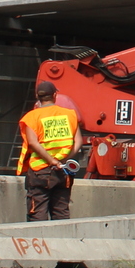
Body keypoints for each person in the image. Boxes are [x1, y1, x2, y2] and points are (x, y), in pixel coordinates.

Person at [17, 81, 81, 221]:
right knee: (61, 212)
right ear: (55, 95)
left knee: (37, 213)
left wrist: (51, 161)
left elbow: (33, 143)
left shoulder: (31, 117)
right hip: (63, 171)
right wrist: (62, 160)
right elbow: (78, 142)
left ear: (37, 96)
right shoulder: (70, 114)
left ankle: (40, 243)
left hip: (40, 171)